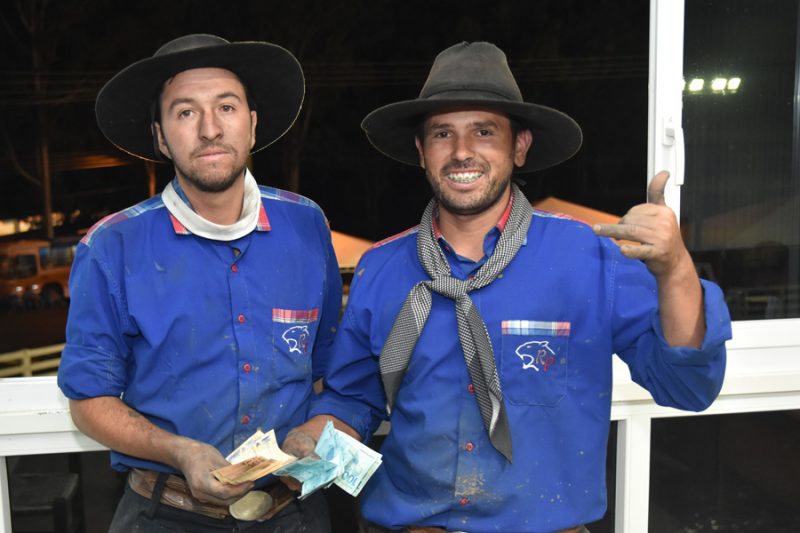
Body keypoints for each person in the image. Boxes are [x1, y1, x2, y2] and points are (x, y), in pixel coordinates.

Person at [284, 41, 732, 533]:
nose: (461, 152)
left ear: (519, 146)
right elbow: (353, 399)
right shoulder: (381, 269)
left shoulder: (589, 258)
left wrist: (674, 268)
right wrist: (312, 437)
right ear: (421, 151)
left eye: (484, 131)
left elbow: (687, 387)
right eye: (442, 133)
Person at [57, 34, 341, 532]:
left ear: (252, 125)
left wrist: (314, 433)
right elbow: (89, 400)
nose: (210, 129)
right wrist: (178, 450)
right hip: (165, 514)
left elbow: (324, 370)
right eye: (185, 112)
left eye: (226, 107)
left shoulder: (306, 225)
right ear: (162, 137)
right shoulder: (113, 246)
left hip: (294, 514)